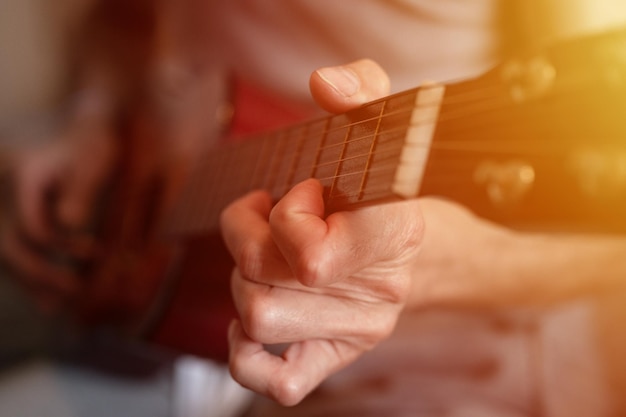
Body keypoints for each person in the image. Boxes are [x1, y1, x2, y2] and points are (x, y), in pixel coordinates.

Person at [2, 0, 626, 416]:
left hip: (300, 348)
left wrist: (437, 267)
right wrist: (90, 112)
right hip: (113, 223)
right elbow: (127, 17)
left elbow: (602, 244)